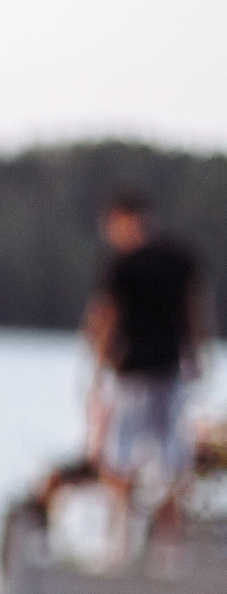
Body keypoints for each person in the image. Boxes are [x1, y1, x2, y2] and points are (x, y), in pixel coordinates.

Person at [84, 192, 211, 560]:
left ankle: (120, 542)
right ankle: (169, 545)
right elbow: (196, 308)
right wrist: (199, 353)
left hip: (134, 374)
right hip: (171, 371)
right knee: (174, 459)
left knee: (119, 460)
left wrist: (98, 370)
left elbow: (106, 319)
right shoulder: (182, 257)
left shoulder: (121, 264)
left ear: (125, 220)